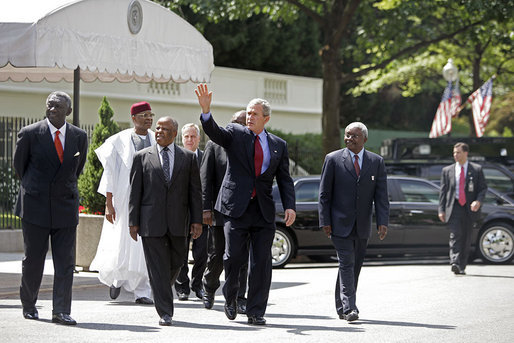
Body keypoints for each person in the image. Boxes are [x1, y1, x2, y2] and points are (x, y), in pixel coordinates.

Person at [195, 84, 296, 326]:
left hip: (262, 211)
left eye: (254, 114)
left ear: (266, 118)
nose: (249, 116)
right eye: (248, 113)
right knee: (232, 258)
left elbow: (284, 177)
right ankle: (230, 298)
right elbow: (216, 133)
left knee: (262, 263)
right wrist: (206, 112)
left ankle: (256, 311)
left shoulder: (278, 145)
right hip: (235, 209)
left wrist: (290, 205)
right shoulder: (236, 134)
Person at [13, 91, 88, 325]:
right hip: (35, 206)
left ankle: (61, 310)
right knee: (33, 260)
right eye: (49, 105)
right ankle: (29, 304)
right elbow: (19, 168)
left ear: (69, 111)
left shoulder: (79, 136)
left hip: (65, 206)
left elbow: (77, 168)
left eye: (57, 106)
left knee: (65, 262)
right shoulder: (30, 134)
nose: (52, 109)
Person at [128, 116, 202, 326]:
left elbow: (195, 192)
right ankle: (165, 312)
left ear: (174, 134)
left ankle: (159, 286)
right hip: (151, 222)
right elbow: (135, 192)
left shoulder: (188, 158)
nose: (159, 131)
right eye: (158, 128)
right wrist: (133, 222)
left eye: (165, 129)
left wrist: (197, 221)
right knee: (158, 267)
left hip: (179, 222)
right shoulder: (141, 157)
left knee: (177, 261)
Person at [318, 121, 389, 323]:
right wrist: (325, 220)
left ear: (364, 139)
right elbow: (324, 194)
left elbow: (381, 196)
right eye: (347, 135)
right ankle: (350, 308)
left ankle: (342, 306)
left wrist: (382, 221)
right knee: (346, 263)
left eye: (354, 136)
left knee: (353, 266)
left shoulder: (376, 161)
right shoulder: (332, 159)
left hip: (362, 225)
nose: (349, 138)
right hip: (339, 223)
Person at [89, 101, 155, 305]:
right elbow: (109, 173)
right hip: (124, 198)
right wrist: (109, 203)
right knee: (121, 240)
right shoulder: (119, 141)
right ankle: (117, 279)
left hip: (149, 199)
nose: (149, 118)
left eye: (150, 115)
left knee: (145, 244)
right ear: (134, 118)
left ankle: (142, 291)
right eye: (144, 115)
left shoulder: (157, 138)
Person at [201, 110, 249, 314]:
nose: (237, 127)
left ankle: (239, 296)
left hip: (244, 211)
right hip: (220, 211)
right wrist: (205, 209)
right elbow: (206, 180)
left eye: (242, 123)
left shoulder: (253, 144)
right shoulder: (214, 145)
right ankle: (209, 286)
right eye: (234, 123)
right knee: (218, 255)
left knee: (241, 256)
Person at [438, 142, 487, 275]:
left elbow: (482, 188)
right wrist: (441, 210)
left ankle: (462, 265)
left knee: (466, 237)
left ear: (466, 153)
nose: (455, 155)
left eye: (458, 152)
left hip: (469, 209)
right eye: (454, 152)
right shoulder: (447, 170)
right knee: (455, 234)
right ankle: (454, 262)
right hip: (454, 207)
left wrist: (478, 201)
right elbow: (443, 191)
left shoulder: (476, 169)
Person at [174, 123, 208, 301]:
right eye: (186, 136)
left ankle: (198, 285)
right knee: (180, 252)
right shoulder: (176, 157)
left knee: (201, 253)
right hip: (181, 214)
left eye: (193, 136)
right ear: (182, 137)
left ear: (199, 138)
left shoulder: (205, 158)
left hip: (202, 214)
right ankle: (182, 287)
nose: (189, 139)